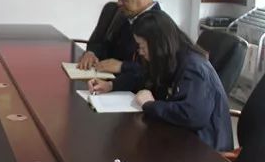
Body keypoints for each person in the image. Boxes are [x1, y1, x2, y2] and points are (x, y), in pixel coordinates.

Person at [88, 10, 234, 151]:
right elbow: (144, 76)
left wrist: (150, 105)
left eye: (142, 46)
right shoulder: (171, 57)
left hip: (205, 149)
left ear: (157, 43)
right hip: (180, 135)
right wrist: (111, 85)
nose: (140, 52)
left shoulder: (193, 67)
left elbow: (192, 115)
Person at [77, 0, 160, 74]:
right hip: (97, 74)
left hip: (126, 82)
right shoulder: (115, 11)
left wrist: (122, 66)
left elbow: (158, 69)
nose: (119, 3)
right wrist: (91, 53)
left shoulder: (160, 25)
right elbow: (96, 41)